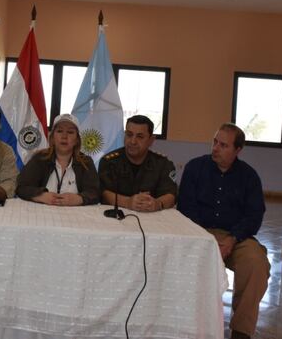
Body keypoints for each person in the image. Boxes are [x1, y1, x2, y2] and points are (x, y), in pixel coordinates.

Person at [177, 123, 270, 339]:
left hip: (236, 237)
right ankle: (189, 324)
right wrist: (207, 239)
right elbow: (186, 208)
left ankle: (241, 331)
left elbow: (254, 215)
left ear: (238, 150)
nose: (216, 148)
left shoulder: (249, 177)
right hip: (200, 233)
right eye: (215, 142)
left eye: (223, 145)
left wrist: (232, 239)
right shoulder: (195, 168)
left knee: (256, 265)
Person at [98, 115, 177, 212]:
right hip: (117, 216)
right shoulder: (109, 161)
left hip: (152, 216)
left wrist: (157, 204)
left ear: (151, 140)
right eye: (129, 135)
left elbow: (171, 195)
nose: (133, 141)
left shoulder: (163, 164)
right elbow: (103, 193)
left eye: (140, 137)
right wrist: (127, 202)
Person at [16, 114, 99, 205]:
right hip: (42, 212)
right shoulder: (40, 158)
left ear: (77, 140)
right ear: (52, 138)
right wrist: (41, 195)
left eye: (70, 132)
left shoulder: (86, 162)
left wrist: (79, 199)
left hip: (75, 213)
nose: (64, 136)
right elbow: (21, 187)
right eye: (59, 131)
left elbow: (95, 193)